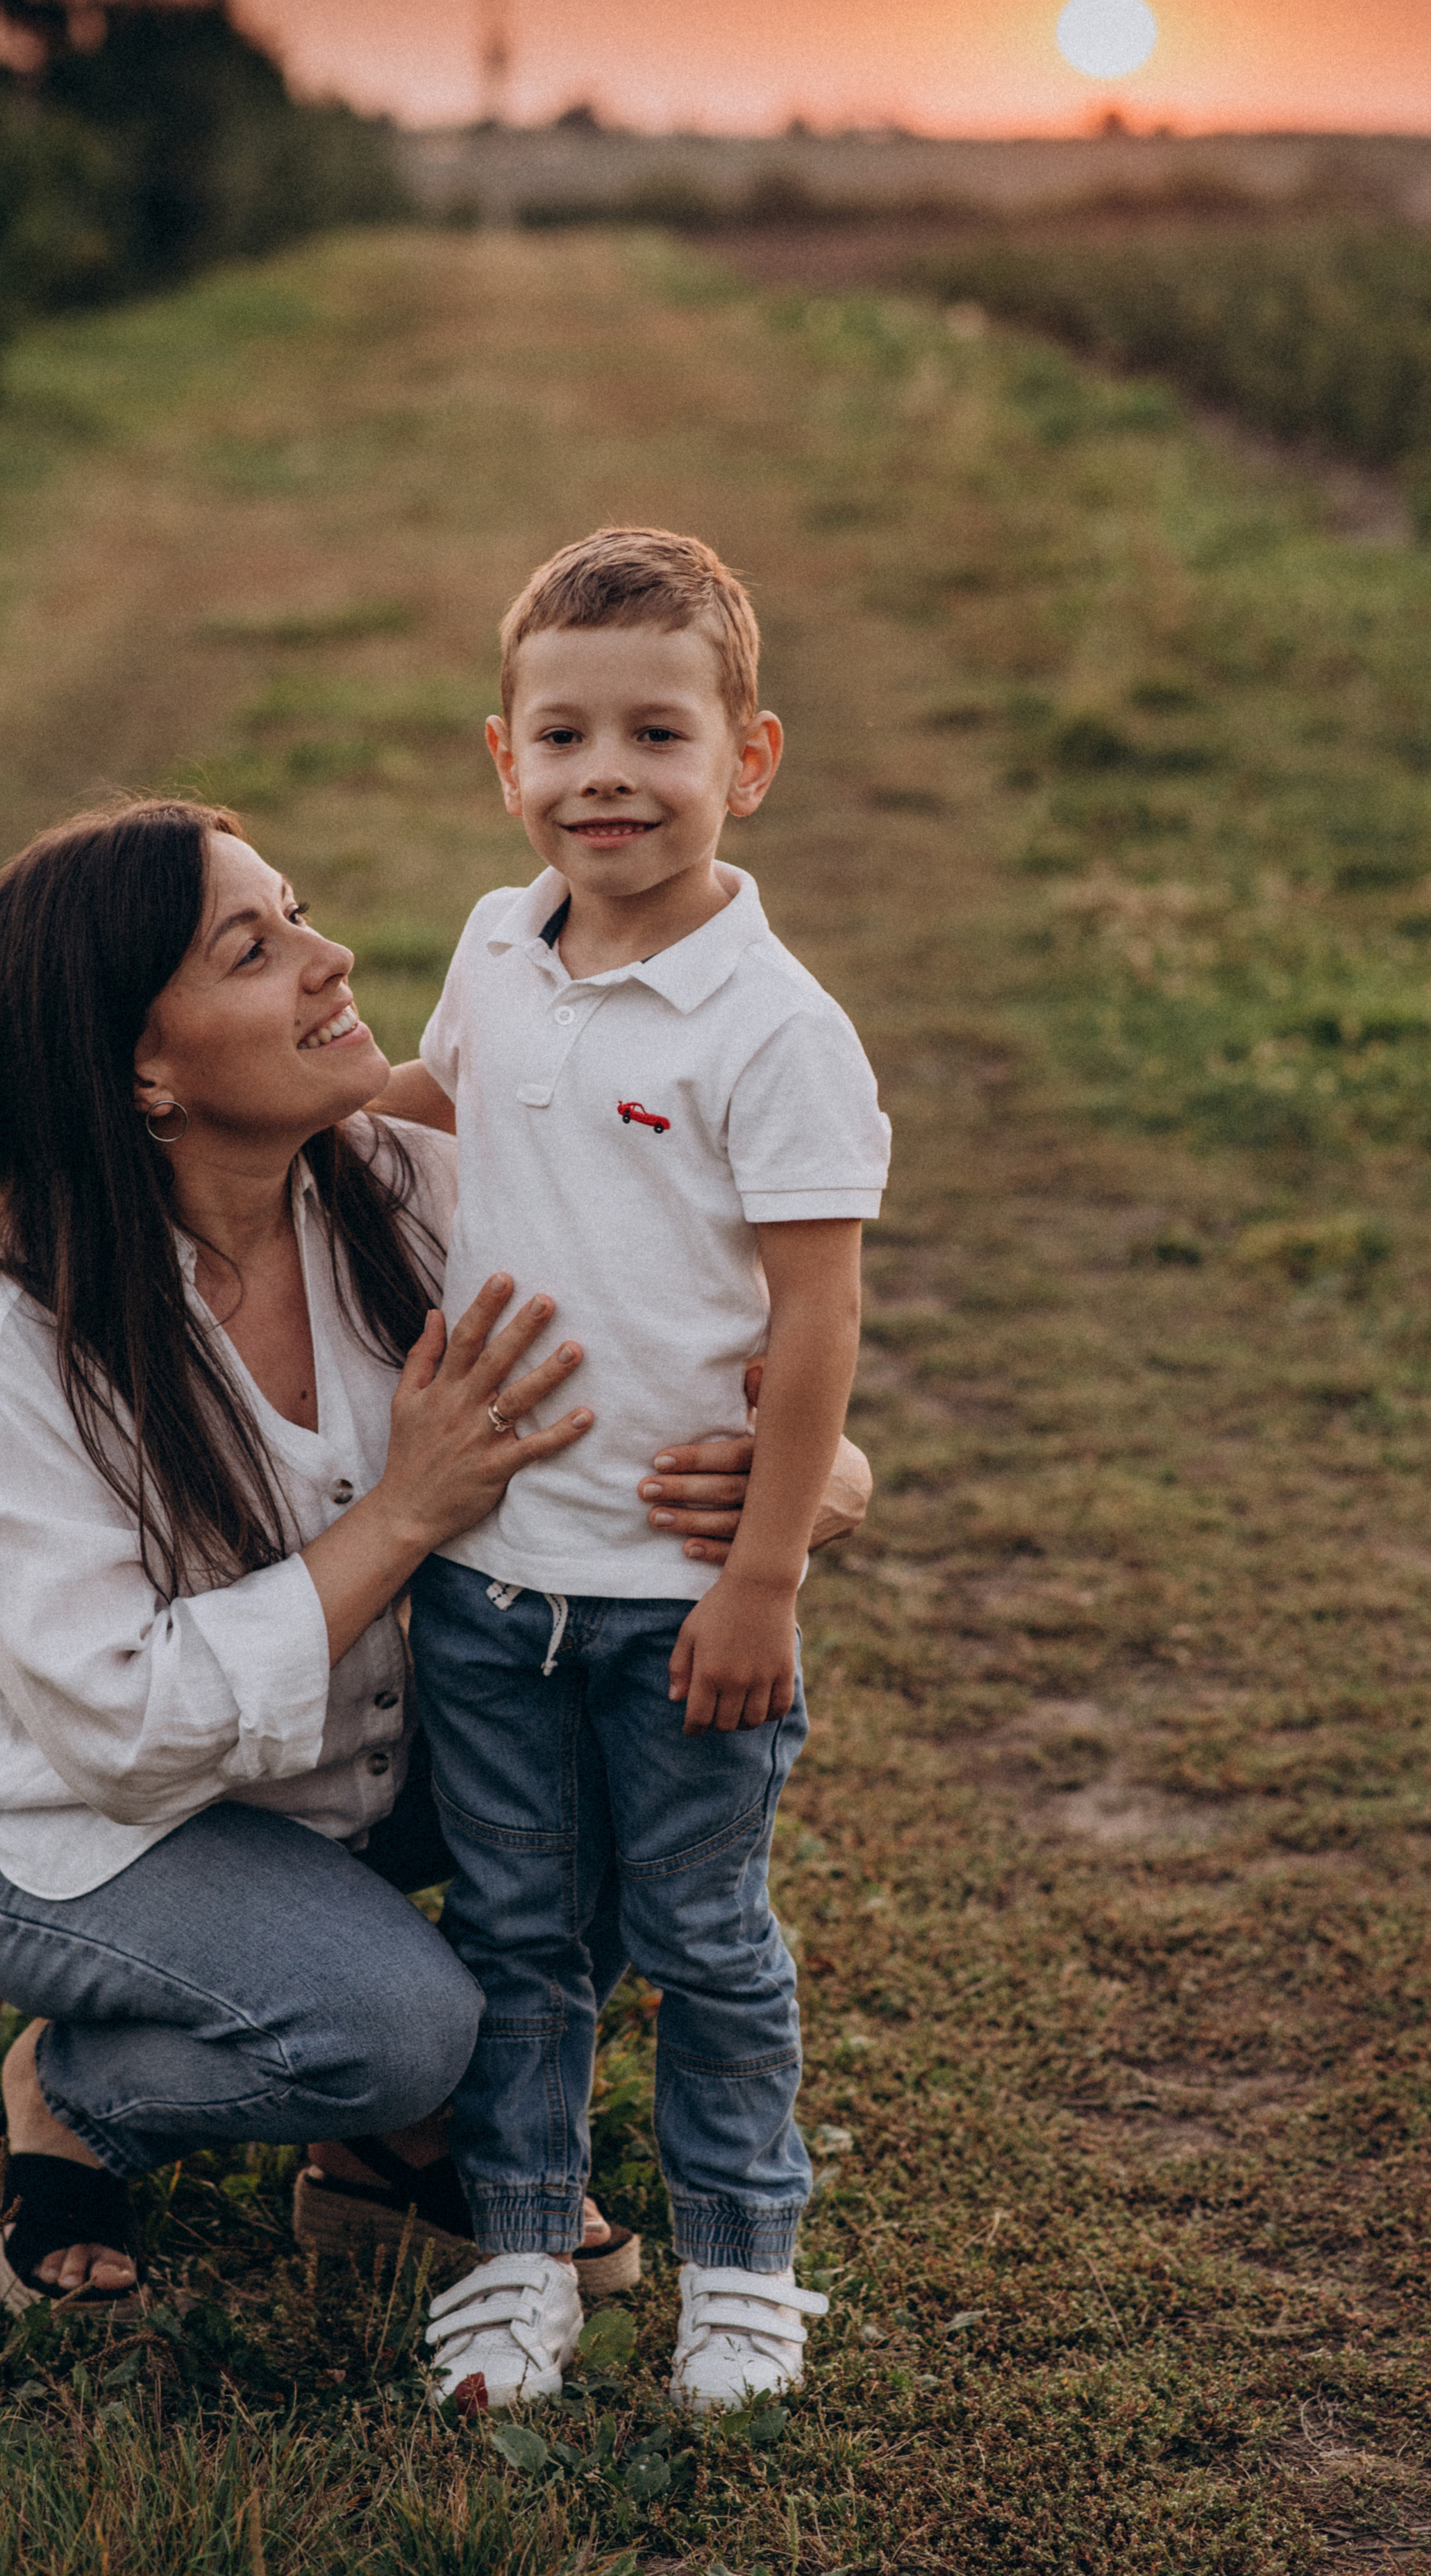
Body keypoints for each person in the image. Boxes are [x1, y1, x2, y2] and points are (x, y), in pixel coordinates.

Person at [0, 796, 870, 2316]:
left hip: (342, 1766)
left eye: (301, 910)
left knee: (612, 1763)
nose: (332, 962)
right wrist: (403, 1508)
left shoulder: (406, 1185)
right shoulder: (14, 1324)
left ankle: (381, 2163)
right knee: (400, 2025)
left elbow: (686, 1350)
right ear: (142, 1063)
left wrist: (807, 1489)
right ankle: (83, 2099)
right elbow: (122, 1736)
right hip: (68, 1822)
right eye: (254, 949)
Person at [371, 528, 891, 2412]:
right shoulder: (495, 949)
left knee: (702, 1942)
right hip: (492, 1581)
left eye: (657, 735)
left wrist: (766, 1568)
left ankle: (745, 2266)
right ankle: (521, 2246)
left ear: (746, 759)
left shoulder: (775, 1029)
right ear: (499, 759)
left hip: (681, 1599)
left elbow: (819, 1323)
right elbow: (449, 1112)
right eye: (564, 735)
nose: (607, 776)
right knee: (518, 1933)